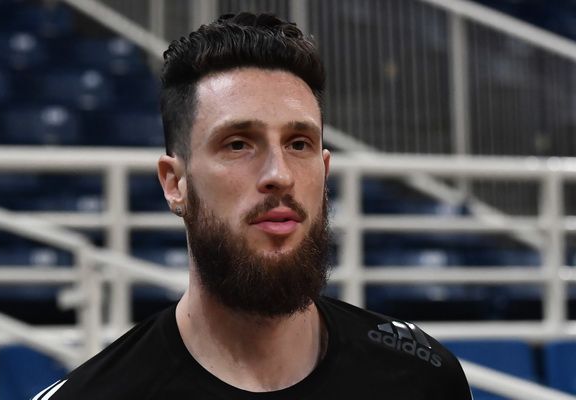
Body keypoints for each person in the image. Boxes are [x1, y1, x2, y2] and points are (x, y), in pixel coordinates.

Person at [34, 12, 472, 399]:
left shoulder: (422, 377)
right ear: (175, 183)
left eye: (298, 143)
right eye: (238, 144)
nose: (279, 174)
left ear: (324, 170)